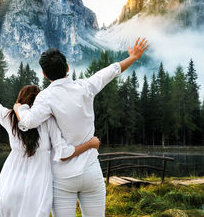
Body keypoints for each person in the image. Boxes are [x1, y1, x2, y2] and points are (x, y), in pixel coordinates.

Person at [13, 37, 149, 217]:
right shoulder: (85, 86)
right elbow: (111, 71)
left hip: (62, 177)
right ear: (67, 68)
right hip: (91, 171)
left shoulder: (45, 97)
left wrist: (19, 108)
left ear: (44, 74)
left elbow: (28, 122)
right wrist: (133, 57)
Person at [0, 78, 100, 217]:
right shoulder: (47, 120)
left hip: (11, 179)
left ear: (20, 99)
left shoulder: (10, 117)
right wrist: (90, 144)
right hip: (38, 184)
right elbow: (64, 152)